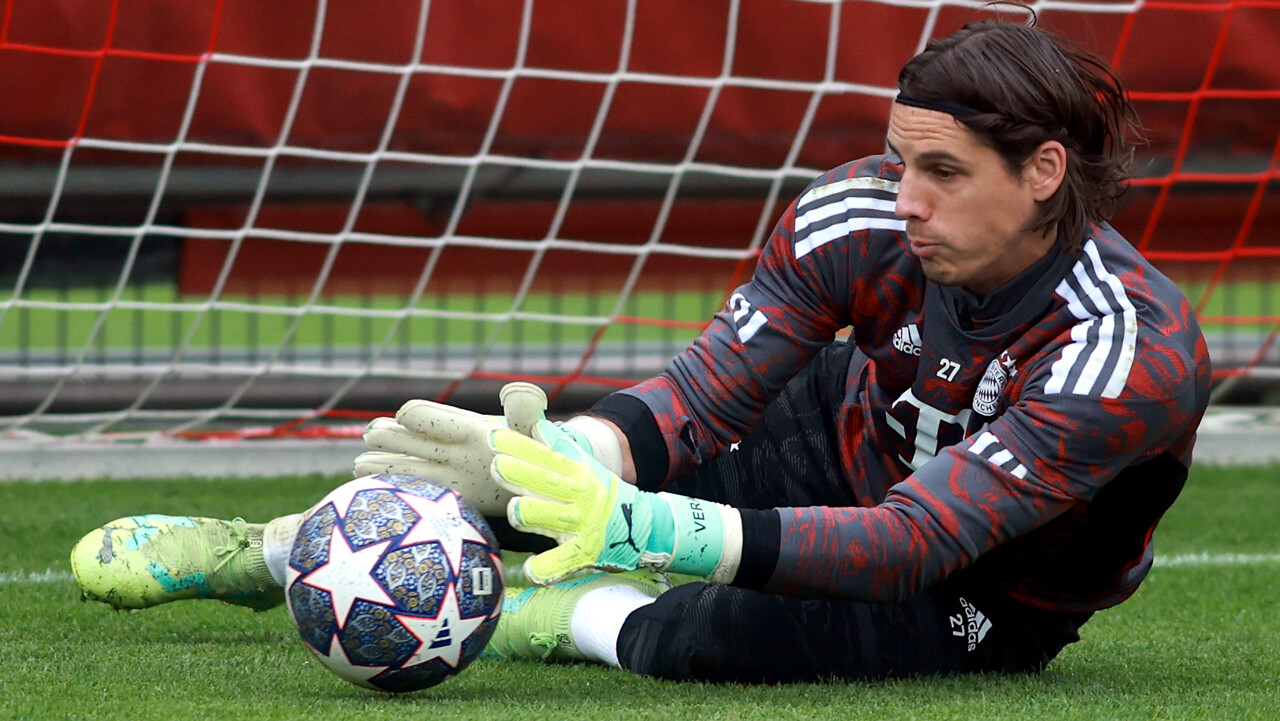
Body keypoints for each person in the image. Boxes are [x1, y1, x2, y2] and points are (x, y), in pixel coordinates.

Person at [70, 14, 1212, 684]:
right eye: (899, 158)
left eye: (943, 173)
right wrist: (574, 458)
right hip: (843, 432)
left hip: (989, 586)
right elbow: (704, 394)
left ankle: (560, 618)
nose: (902, 196)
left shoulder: (1128, 350)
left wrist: (644, 528)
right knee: (541, 475)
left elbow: (916, 541)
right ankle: (273, 551)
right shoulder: (857, 215)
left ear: (1043, 173)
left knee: (721, 639)